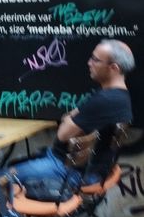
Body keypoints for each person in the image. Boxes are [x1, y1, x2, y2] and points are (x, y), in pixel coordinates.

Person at [10, 39, 135, 187]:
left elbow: (62, 135)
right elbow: (70, 119)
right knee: (12, 167)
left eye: (95, 60)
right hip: (82, 169)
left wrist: (70, 118)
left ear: (113, 68)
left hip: (68, 171)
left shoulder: (105, 100)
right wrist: (71, 118)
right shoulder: (120, 96)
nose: (89, 63)